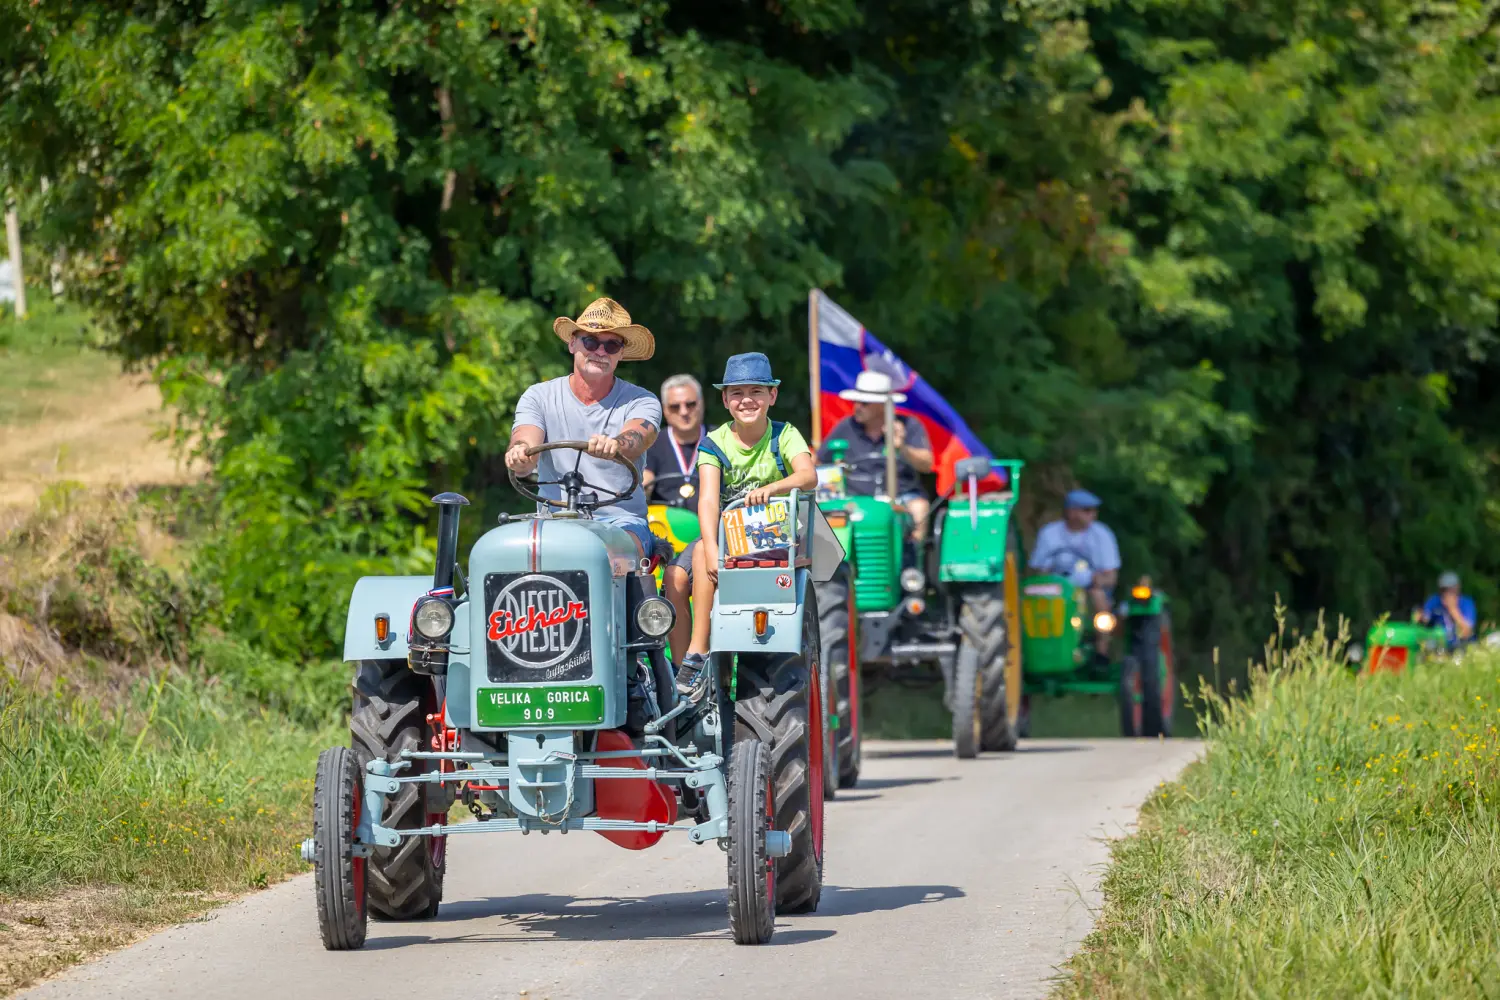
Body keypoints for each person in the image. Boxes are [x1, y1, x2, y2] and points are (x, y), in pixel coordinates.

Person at [664, 353, 817, 696]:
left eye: (756, 391)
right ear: (724, 399)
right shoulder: (715, 443)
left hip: (774, 539)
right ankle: (681, 673)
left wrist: (772, 488)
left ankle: (698, 652)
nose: (746, 400)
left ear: (771, 396)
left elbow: (808, 476)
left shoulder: (784, 435)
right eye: (737, 392)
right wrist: (716, 547)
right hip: (728, 536)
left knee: (703, 553)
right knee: (677, 573)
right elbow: (707, 499)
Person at [504, 297, 661, 559]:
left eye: (612, 345)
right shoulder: (539, 396)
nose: (600, 352)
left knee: (605, 553)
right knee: (508, 554)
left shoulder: (641, 400)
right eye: (591, 341)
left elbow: (639, 436)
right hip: (552, 519)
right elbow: (525, 444)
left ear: (621, 353)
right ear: (572, 343)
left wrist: (616, 445)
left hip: (620, 522)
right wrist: (520, 455)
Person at [815, 371, 935, 539]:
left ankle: (910, 559)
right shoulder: (845, 427)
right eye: (856, 401)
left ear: (882, 405)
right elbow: (819, 463)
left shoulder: (909, 425)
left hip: (901, 497)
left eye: (864, 403)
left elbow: (927, 465)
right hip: (853, 498)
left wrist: (902, 448)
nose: (857, 407)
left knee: (919, 507)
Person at [1029, 489, 1120, 657]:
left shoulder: (1102, 534)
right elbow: (1038, 570)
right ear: (1071, 512)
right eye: (1087, 510)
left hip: (1088, 589)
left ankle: (1101, 650)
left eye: (1093, 510)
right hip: (1056, 590)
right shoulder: (1049, 533)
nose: (1093, 515)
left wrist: (1094, 579)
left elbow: (1110, 576)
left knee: (1098, 597)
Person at [643, 373, 709, 509]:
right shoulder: (651, 443)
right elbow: (644, 482)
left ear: (702, 403)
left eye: (690, 404)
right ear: (665, 410)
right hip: (665, 525)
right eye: (675, 407)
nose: (684, 412)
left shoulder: (721, 438)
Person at [1420, 571, 1476, 649]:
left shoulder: (1466, 603)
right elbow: (1424, 621)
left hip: (1461, 643)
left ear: (1457, 588)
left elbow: (1467, 630)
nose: (1446, 593)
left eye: (1450, 590)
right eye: (1443, 590)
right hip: (1439, 643)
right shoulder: (1434, 601)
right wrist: (1421, 617)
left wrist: (1453, 609)